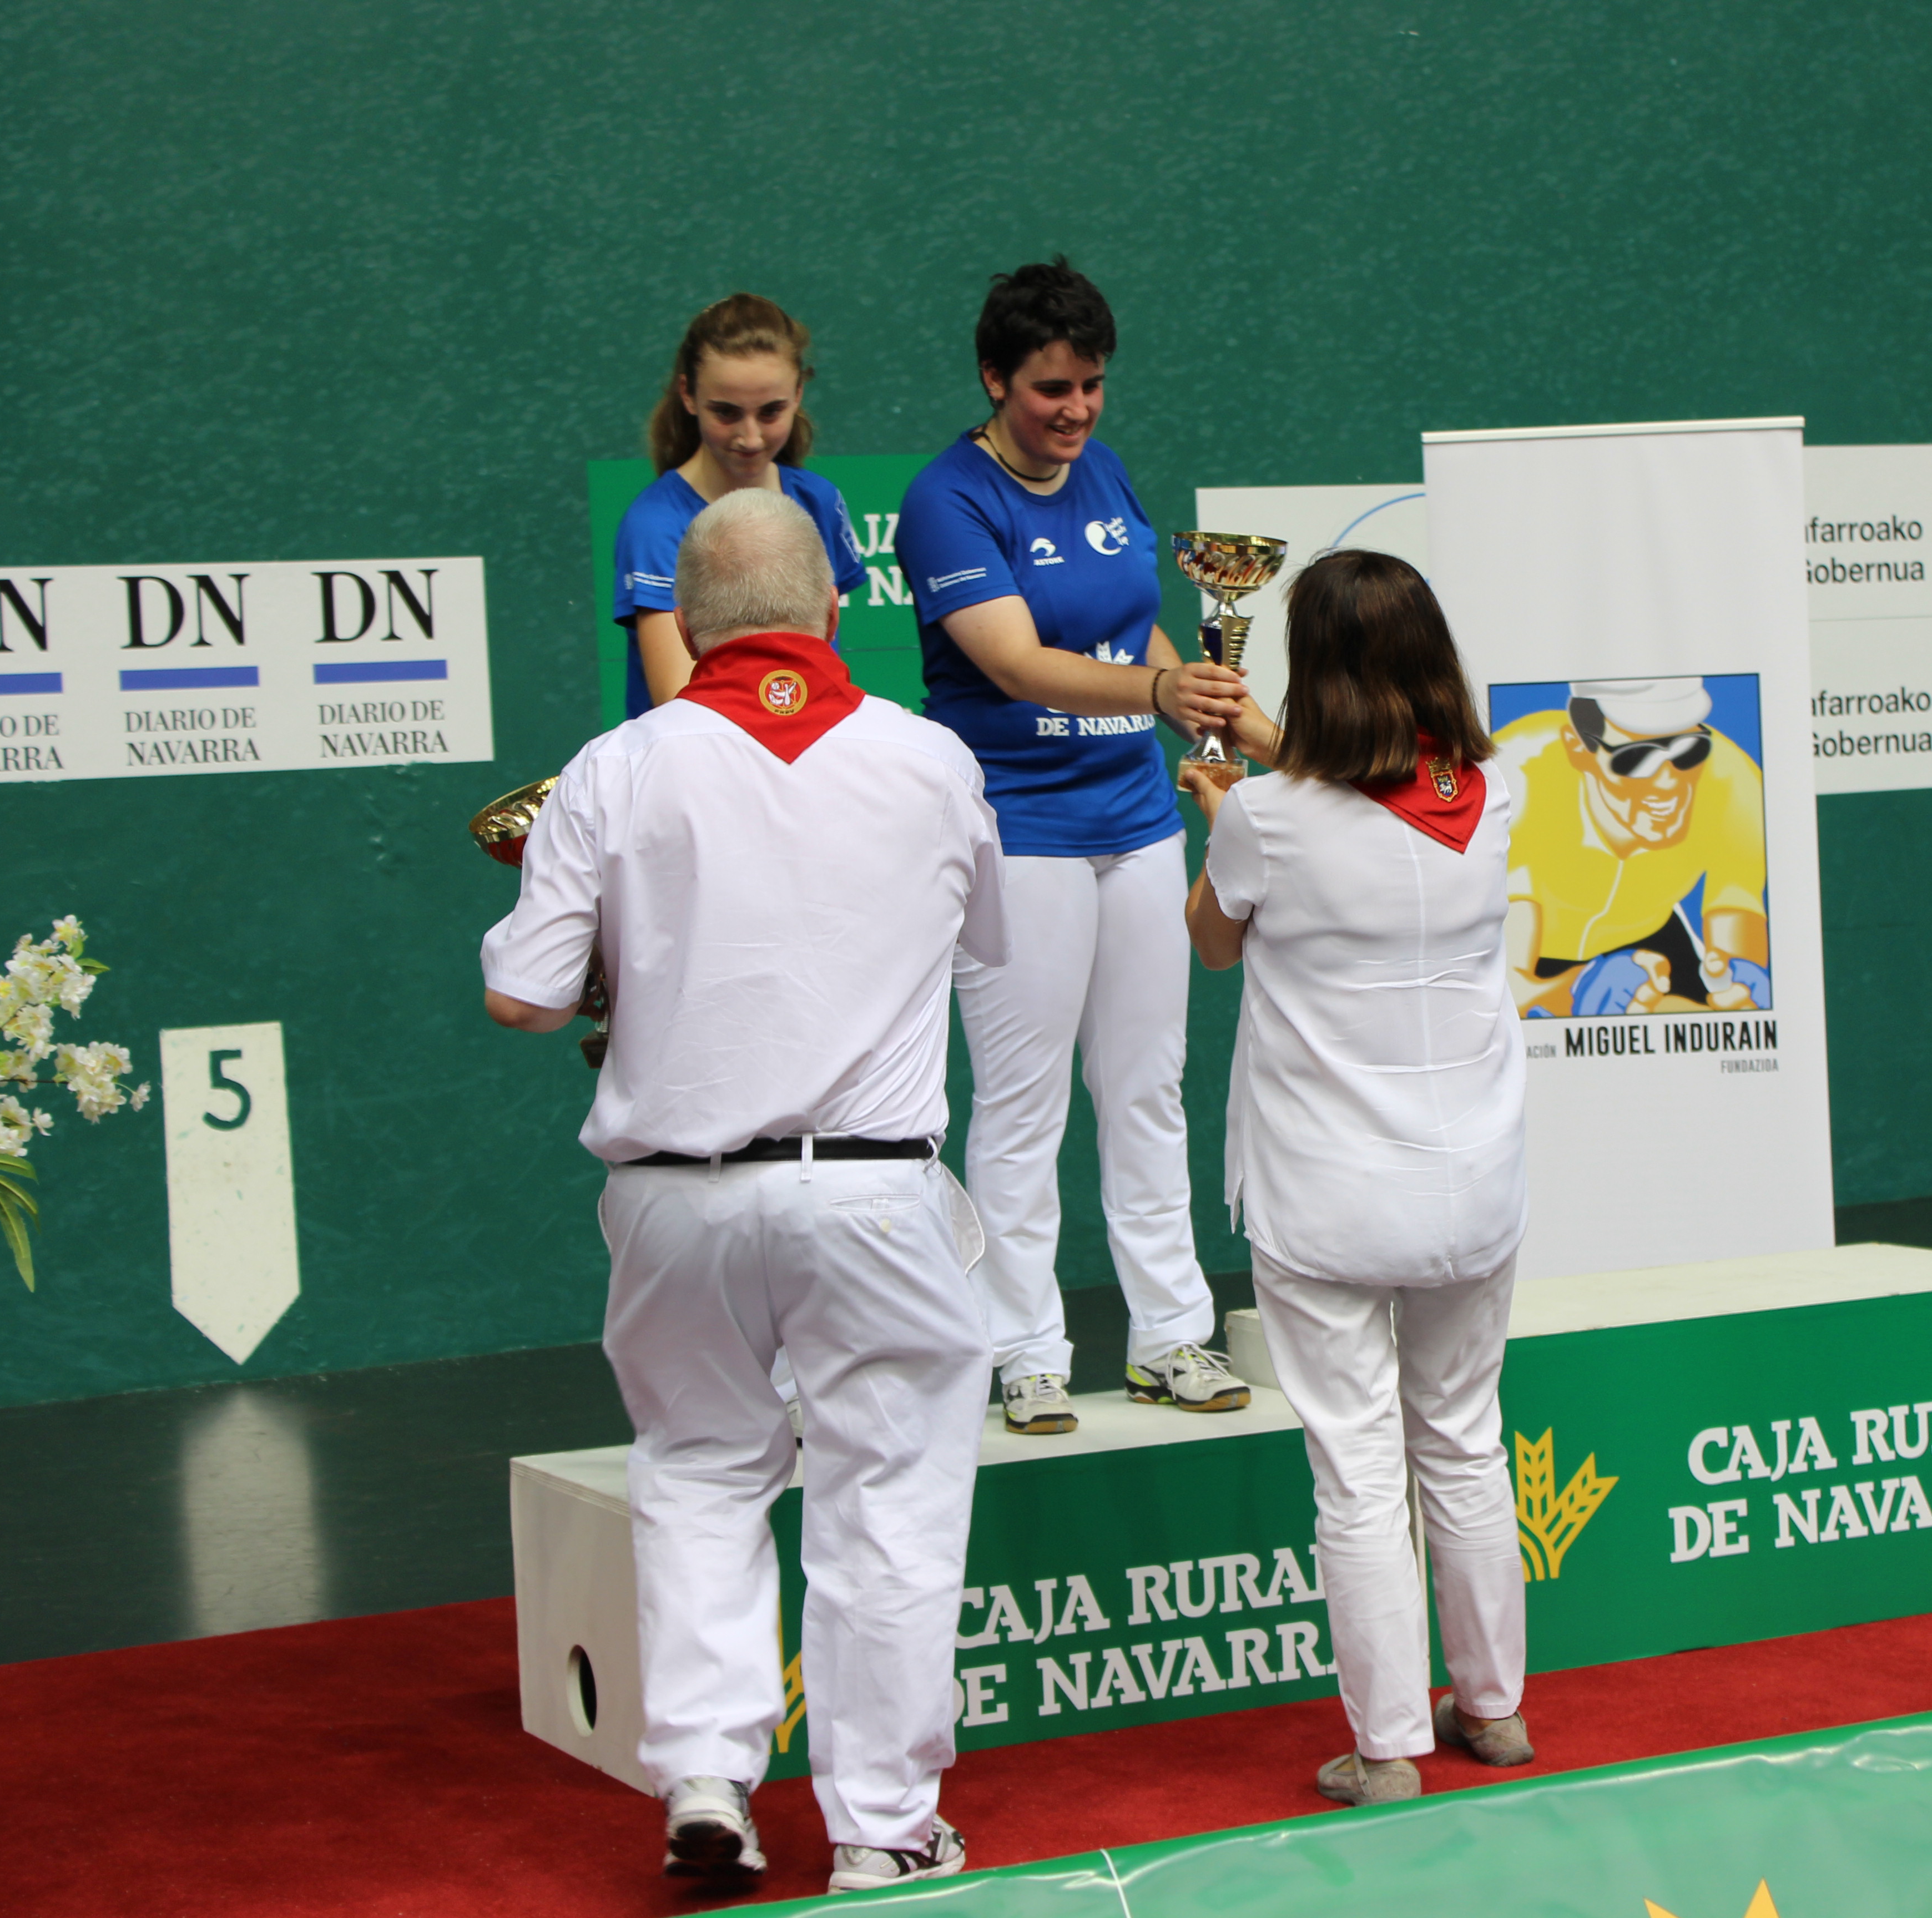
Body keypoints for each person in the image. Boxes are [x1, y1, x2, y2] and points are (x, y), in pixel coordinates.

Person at [483, 488, 1003, 1894]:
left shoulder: (614, 766)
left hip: (675, 1200)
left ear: (684, 626)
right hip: (876, 1201)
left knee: (700, 1475)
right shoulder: (930, 759)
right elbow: (987, 941)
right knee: (885, 1504)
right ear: (836, 607)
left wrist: (631, 956)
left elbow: (520, 996)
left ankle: (708, 1779)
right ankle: (884, 1827)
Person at [1179, 548, 1533, 1806]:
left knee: (1357, 1466)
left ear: (1312, 670)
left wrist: (1217, 809)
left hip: (1325, 1195)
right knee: (1464, 1440)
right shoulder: (1496, 792)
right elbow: (1378, 797)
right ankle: (1492, 1708)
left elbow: (1212, 941)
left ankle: (1385, 1744)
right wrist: (1257, 779)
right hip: (1471, 1187)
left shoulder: (1264, 818)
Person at [894, 258, 1250, 1436]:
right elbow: (1010, 660)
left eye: (1093, 386)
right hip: (1017, 829)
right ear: (996, 380)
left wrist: (1201, 703)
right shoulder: (950, 499)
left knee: (1147, 1089)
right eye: (1051, 389)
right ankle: (1025, 1353)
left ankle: (1172, 1338)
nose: (1077, 411)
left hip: (1136, 820)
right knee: (1024, 1104)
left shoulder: (1105, 472)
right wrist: (1157, 686)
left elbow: (1126, 617)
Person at [611, 293, 869, 718]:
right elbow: (679, 705)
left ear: (799, 393)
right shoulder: (655, 524)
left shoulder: (820, 501)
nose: (750, 437)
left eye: (771, 412)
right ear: (688, 396)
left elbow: (828, 665)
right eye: (726, 413)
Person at [1491, 677, 1769, 1017]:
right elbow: (1515, 986)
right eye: (1636, 758)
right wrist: (1575, 989)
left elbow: (1733, 942)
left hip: (1651, 928)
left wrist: (1740, 984)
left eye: (1689, 751)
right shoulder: (1517, 780)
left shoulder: (1732, 782)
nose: (1669, 783)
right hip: (1539, 942)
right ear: (1579, 748)